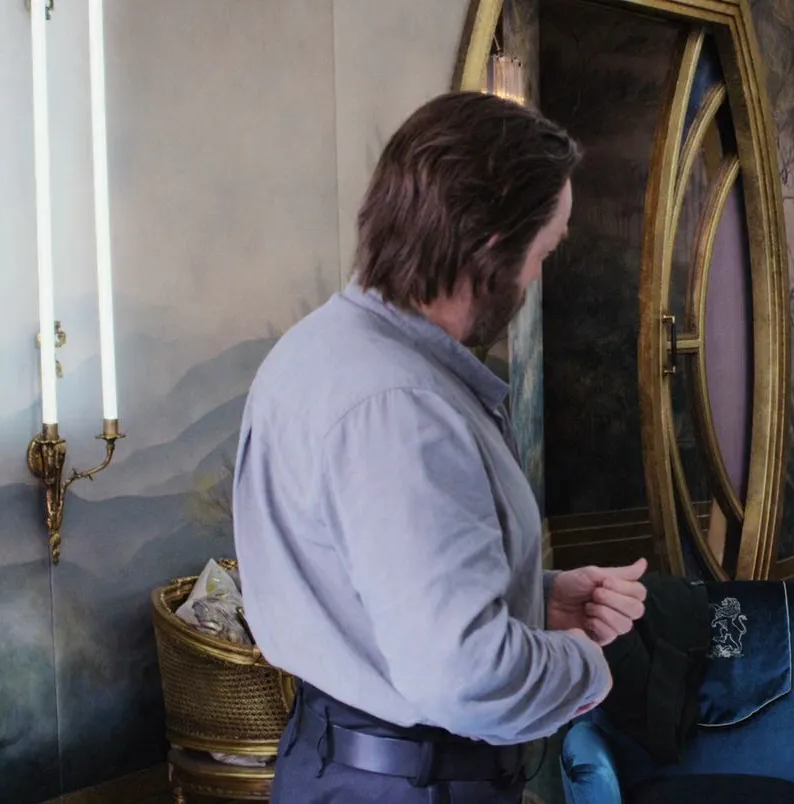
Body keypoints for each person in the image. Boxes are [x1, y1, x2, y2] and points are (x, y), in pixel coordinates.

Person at [232, 91, 650, 803]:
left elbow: (375, 585)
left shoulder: (318, 345)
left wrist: (533, 598)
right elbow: (465, 674)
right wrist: (583, 667)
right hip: (416, 784)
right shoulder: (403, 410)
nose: (537, 277)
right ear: (491, 248)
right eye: (544, 251)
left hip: (344, 767)